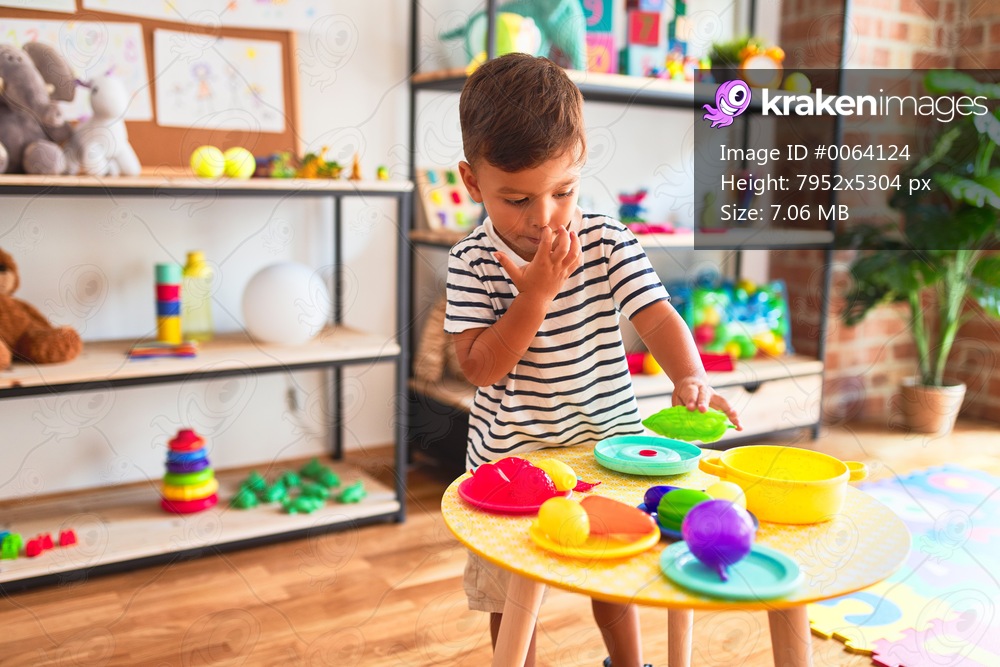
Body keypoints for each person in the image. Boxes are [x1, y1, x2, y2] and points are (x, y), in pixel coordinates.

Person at [444, 53, 742, 667]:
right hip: (512, 463)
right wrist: (533, 297)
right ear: (473, 183)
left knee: (616, 572)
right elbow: (478, 367)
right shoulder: (472, 261)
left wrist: (690, 374)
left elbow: (656, 315)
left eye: (563, 192)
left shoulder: (607, 240)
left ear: (581, 167)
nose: (544, 218)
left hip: (607, 449)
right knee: (512, 591)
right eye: (517, 198)